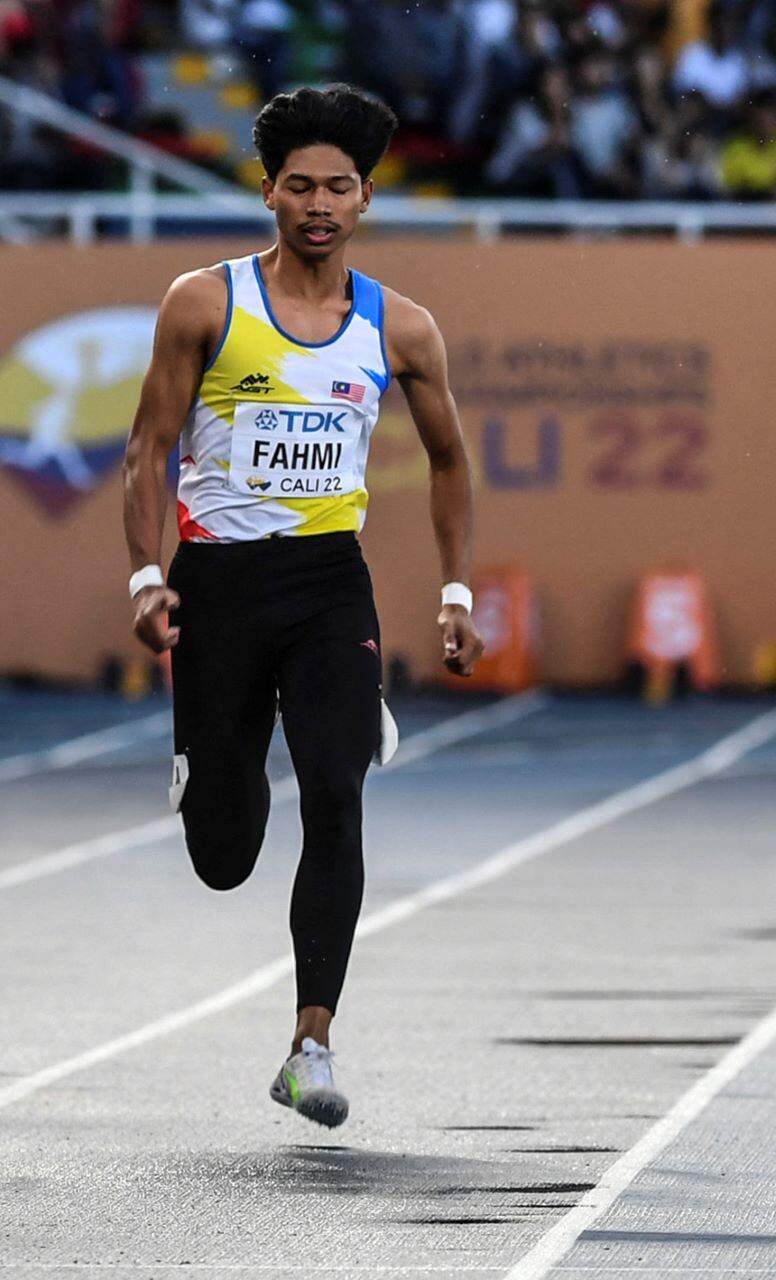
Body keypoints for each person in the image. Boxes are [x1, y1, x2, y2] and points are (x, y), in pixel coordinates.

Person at [122, 83, 485, 1126]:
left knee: (338, 788)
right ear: (270, 193)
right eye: (299, 185)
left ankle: (310, 1041)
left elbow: (453, 460)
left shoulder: (401, 327)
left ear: (367, 198)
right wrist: (147, 576)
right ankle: (213, 764)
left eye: (339, 186)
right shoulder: (204, 302)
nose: (319, 202)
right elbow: (149, 448)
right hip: (219, 584)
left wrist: (455, 588)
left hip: (330, 579)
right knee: (226, 853)